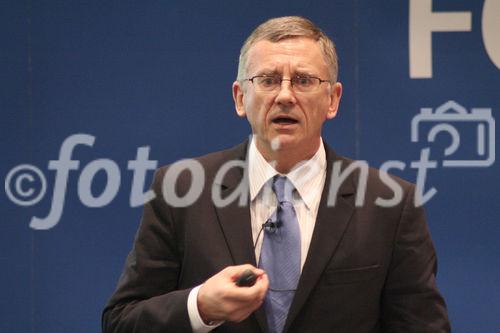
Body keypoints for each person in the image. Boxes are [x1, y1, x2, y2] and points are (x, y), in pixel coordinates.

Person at [102, 16, 450, 332]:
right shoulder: (182, 189)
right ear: (240, 98)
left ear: (333, 99)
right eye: (267, 80)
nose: (285, 95)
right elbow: (121, 321)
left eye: (303, 80)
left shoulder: (388, 204)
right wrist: (200, 306)